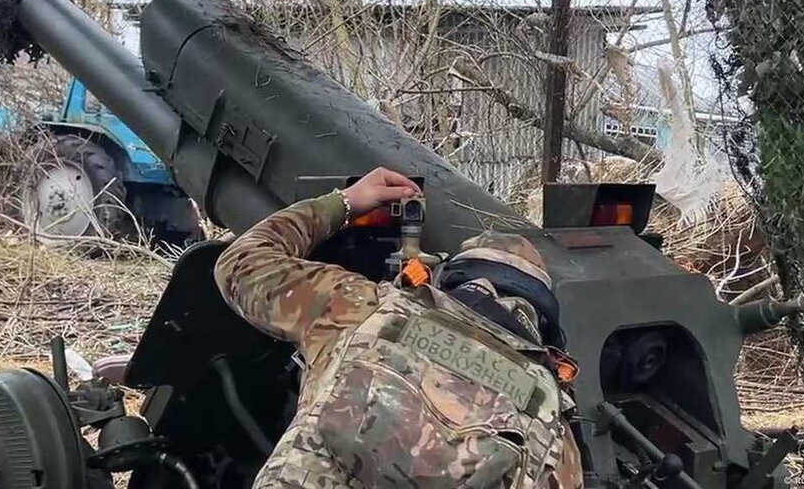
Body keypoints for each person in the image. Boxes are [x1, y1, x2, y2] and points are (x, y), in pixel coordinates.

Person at [214, 167, 583, 488]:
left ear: (446, 280)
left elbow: (240, 263)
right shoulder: (552, 429)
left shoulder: (362, 309)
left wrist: (344, 202)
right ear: (541, 321)